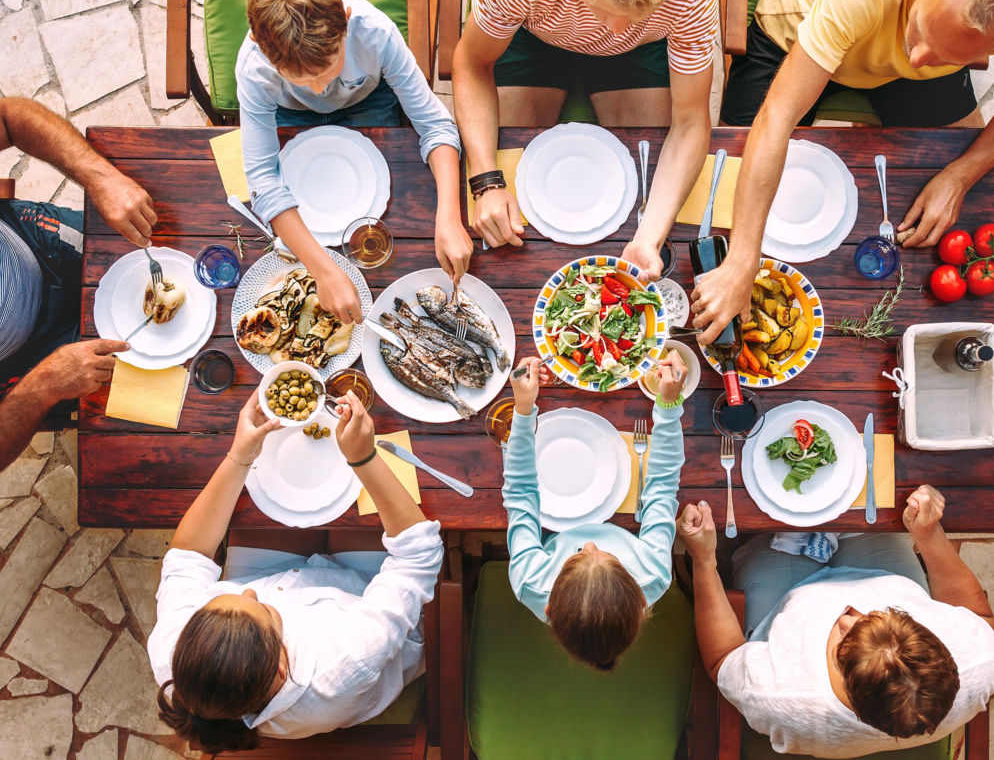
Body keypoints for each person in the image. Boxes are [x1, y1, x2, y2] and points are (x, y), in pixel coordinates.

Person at [694, 0, 994, 343]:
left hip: (900, 76)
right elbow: (777, 116)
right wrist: (743, 261)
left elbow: (922, 56)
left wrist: (960, 175)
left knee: (963, 178)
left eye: (946, 54)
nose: (918, 58)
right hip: (794, 37)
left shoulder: (923, 54)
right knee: (727, 161)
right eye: (924, 29)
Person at [148, 391, 443, 753]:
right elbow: (418, 554)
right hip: (364, 594)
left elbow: (188, 555)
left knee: (277, 493)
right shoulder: (345, 662)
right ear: (281, 669)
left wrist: (240, 455)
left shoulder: (176, 655)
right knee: (358, 500)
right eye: (264, 610)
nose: (249, 592)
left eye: (227, 598)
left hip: (275, 571)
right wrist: (364, 458)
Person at [452, 0, 719, 280]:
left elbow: (690, 121)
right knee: (512, 188)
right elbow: (472, 64)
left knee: (645, 183)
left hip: (640, 50)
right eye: (607, 7)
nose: (617, 30)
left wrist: (649, 239)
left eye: (637, 11)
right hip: (534, 36)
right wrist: (485, 182)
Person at [678, 486, 994, 757]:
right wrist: (929, 535)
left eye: (842, 641)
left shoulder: (779, 696)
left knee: (769, 515)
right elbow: (978, 614)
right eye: (892, 613)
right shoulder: (979, 662)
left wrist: (704, 559)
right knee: (866, 502)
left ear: (850, 696)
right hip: (884, 572)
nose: (850, 612)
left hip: (786, 597)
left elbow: (722, 656)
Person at [238, 0, 469, 323]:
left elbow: (436, 125)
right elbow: (264, 180)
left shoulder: (376, 32)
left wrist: (450, 218)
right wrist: (325, 271)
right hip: (290, 120)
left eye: (329, 71)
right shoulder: (253, 67)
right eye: (301, 80)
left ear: (345, 21)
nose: (319, 90)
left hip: (369, 105)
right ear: (259, 45)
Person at [502, 351, 686, 669]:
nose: (589, 543)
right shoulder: (655, 573)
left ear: (548, 609)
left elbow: (520, 495)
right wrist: (669, 405)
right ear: (642, 600)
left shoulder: (530, 582)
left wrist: (523, 410)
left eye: (577, 556)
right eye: (606, 556)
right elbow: (661, 489)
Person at [0, 96, 152, 470]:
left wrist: (102, 179)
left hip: (35, 243)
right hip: (29, 364)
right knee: (159, 381)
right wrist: (43, 387)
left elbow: (8, 117)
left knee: (156, 245)